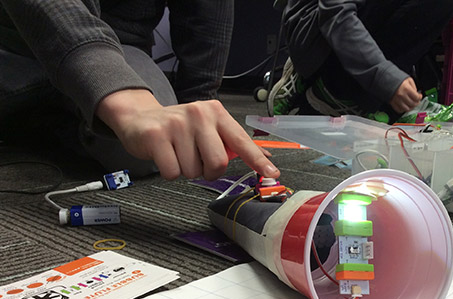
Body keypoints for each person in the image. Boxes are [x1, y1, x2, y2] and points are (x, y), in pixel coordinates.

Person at [0, 0, 280, 181]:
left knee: (150, 150)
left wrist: (199, 106)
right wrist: (124, 98)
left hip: (121, 45)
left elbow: (207, 11)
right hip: (14, 42)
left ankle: (37, 122)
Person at [268, 0, 453, 124]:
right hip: (315, 30)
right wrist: (384, 77)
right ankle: (332, 89)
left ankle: (367, 98)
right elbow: (336, 13)